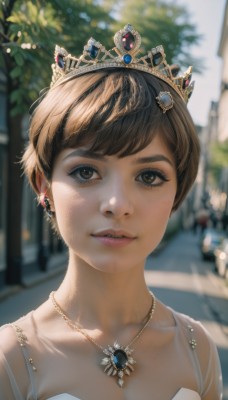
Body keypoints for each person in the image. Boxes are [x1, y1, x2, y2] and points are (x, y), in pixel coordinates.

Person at [0, 24, 222, 400]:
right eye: (86, 172)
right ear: (44, 185)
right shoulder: (12, 360)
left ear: (178, 192)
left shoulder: (199, 349)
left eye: (149, 176)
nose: (117, 204)